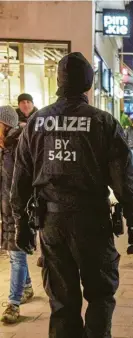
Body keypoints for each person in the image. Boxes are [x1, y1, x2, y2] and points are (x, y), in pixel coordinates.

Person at [10, 52, 133, 338]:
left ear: (59, 81)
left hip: (52, 223)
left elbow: (20, 178)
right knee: (100, 295)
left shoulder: (36, 122)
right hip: (92, 221)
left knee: (62, 302)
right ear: (88, 83)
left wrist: (20, 222)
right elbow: (124, 179)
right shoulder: (103, 122)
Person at [0, 106, 34, 324]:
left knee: (16, 254)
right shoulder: (3, 149)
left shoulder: (19, 148)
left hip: (19, 211)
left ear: (5, 125)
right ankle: (27, 287)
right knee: (16, 253)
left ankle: (13, 304)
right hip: (7, 211)